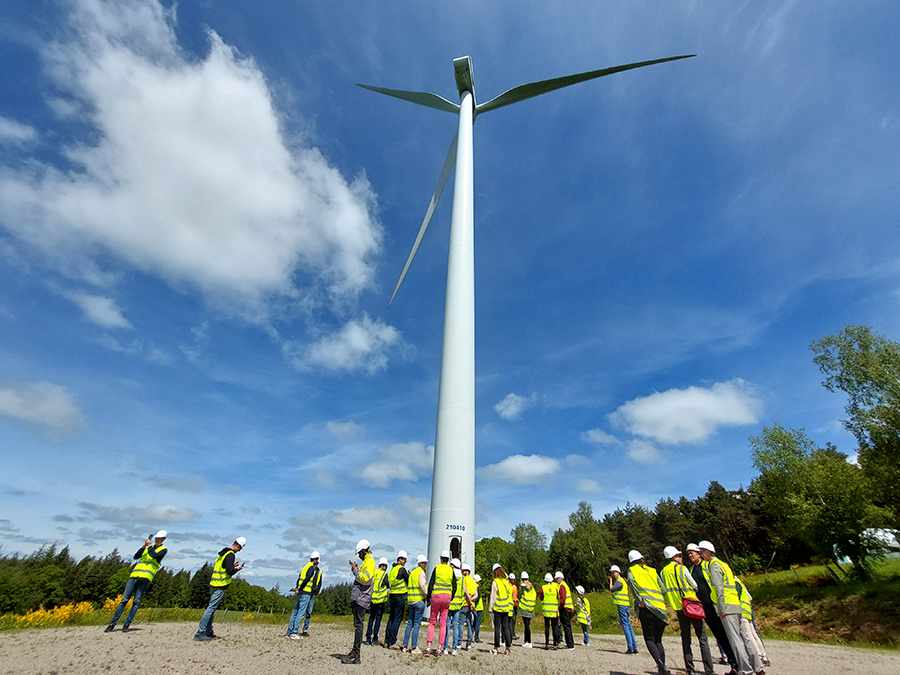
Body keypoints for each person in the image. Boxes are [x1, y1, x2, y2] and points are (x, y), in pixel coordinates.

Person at [699, 541, 765, 675]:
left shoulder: (713, 565)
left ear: (706, 552)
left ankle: (745, 669)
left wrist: (721, 607)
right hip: (736, 604)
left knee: (735, 639)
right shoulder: (724, 564)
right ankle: (758, 667)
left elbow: (718, 588)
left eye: (701, 552)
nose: (701, 555)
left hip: (727, 606)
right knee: (746, 637)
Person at [660, 546, 714, 675]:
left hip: (678, 608)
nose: (681, 558)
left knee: (686, 639)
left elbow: (664, 589)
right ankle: (709, 670)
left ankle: (690, 669)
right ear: (674, 557)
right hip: (691, 605)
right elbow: (694, 584)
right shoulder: (681, 569)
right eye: (679, 556)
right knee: (702, 638)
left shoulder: (663, 572)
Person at [686, 543, 737, 672]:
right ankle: (733, 665)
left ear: (699, 554)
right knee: (719, 636)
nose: (690, 555)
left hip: (714, 605)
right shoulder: (691, 570)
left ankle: (737, 663)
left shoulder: (707, 566)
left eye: (692, 552)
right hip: (705, 609)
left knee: (726, 635)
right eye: (688, 554)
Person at [106, 530, 167, 633]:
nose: (157, 539)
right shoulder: (148, 548)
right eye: (156, 538)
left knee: (136, 601)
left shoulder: (163, 550)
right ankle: (112, 623)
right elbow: (136, 556)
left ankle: (127, 624)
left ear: (163, 539)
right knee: (124, 600)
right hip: (134, 575)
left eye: (159, 538)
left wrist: (149, 547)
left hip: (145, 578)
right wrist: (143, 547)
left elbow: (155, 556)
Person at [626, 549, 670, 675]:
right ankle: (663, 666)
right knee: (658, 640)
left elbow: (633, 584)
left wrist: (639, 600)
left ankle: (660, 664)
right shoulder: (652, 570)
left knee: (649, 639)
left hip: (646, 608)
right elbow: (663, 588)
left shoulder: (632, 571)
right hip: (660, 608)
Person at [194, 537, 245, 642]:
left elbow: (224, 566)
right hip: (221, 585)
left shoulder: (223, 553)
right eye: (240, 549)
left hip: (214, 583)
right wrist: (237, 569)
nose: (239, 550)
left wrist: (232, 565)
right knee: (211, 609)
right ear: (238, 546)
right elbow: (230, 571)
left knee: (211, 609)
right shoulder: (231, 555)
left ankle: (208, 632)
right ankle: (200, 632)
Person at [341, 539, 376, 664]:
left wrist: (355, 571)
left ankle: (356, 654)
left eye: (359, 554)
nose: (359, 556)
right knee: (357, 625)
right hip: (359, 598)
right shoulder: (367, 561)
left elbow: (365, 578)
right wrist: (356, 570)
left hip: (362, 598)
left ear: (363, 551)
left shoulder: (370, 562)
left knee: (359, 626)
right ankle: (355, 654)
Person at [425, 550, 456, 655]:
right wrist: (450, 597)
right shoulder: (451, 571)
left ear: (441, 558)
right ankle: (439, 648)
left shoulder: (437, 568)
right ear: (448, 560)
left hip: (436, 596)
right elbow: (454, 586)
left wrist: (428, 599)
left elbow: (431, 584)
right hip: (446, 597)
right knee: (443, 624)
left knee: (432, 622)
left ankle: (429, 647)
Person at [286, 550, 322, 640]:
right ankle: (294, 632)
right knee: (300, 613)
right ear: (316, 559)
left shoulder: (305, 567)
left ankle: (289, 631)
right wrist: (301, 587)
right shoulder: (311, 568)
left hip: (301, 592)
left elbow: (300, 578)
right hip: (305, 592)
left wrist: (298, 588)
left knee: (295, 611)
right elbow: (307, 578)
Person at [736, 577, 769, 667]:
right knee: (754, 634)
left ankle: (757, 656)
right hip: (748, 611)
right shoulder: (740, 583)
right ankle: (764, 656)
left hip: (742, 612)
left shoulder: (734, 583)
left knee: (748, 635)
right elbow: (750, 597)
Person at [401, 554, 428, 654]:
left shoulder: (412, 572)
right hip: (418, 600)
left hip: (410, 600)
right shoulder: (421, 572)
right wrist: (427, 596)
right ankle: (414, 647)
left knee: (409, 623)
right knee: (416, 624)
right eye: (424, 562)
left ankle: (405, 646)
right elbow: (422, 585)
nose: (426, 564)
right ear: (421, 563)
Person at [384, 550, 409, 649]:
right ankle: (392, 641)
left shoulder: (392, 570)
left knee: (391, 618)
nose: (405, 562)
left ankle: (387, 640)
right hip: (400, 596)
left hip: (392, 595)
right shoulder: (402, 569)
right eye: (404, 560)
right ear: (400, 559)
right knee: (397, 619)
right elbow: (408, 580)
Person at [610, 564, 638, 654]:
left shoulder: (619, 581)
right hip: (625, 604)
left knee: (625, 625)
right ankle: (634, 647)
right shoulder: (622, 581)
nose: (612, 574)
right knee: (629, 625)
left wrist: (610, 581)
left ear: (618, 572)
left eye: (613, 572)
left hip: (621, 605)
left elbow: (611, 589)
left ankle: (630, 648)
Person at [452, 563, 477, 652]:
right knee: (470, 625)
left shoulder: (464, 579)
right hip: (471, 606)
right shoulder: (473, 581)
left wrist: (469, 601)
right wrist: (472, 601)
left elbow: (465, 592)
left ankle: (459, 643)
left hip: (464, 605)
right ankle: (469, 644)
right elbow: (476, 594)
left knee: (461, 624)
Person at [488, 563, 512, 655]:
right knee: (506, 628)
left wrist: (490, 607)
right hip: (506, 608)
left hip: (498, 608)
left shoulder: (495, 582)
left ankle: (496, 648)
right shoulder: (506, 582)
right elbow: (509, 594)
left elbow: (493, 596)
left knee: (497, 628)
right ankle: (507, 648)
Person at [365, 557, 389, 645]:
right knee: (378, 619)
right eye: (385, 566)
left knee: (371, 618)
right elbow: (388, 584)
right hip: (380, 600)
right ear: (383, 566)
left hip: (372, 599)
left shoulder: (375, 573)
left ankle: (368, 638)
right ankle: (375, 639)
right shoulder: (384, 574)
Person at [538, 572, 561, 649]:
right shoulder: (555, 588)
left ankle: (547, 643)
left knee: (547, 627)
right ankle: (555, 644)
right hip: (554, 610)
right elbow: (557, 596)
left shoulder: (543, 587)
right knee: (554, 627)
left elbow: (541, 597)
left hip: (546, 610)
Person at [555, 571, 576, 649]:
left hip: (565, 608)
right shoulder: (565, 585)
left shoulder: (562, 586)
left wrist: (560, 606)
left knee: (566, 626)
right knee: (568, 626)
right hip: (569, 607)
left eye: (556, 579)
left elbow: (563, 598)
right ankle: (570, 643)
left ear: (560, 578)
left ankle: (570, 644)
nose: (556, 580)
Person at [446, 558, 463, 652]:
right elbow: (463, 591)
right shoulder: (462, 577)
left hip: (448, 603)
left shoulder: (449, 575)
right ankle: (454, 648)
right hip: (458, 605)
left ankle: (445, 647)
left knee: (447, 625)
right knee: (455, 626)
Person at [517, 572, 536, 648]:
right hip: (531, 607)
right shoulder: (531, 586)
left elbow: (519, 594)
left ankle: (527, 641)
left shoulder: (522, 586)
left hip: (524, 607)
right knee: (528, 625)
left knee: (526, 625)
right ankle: (528, 641)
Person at [472, 574, 484, 643]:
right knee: (477, 623)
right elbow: (478, 597)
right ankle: (476, 637)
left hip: (474, 607)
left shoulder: (472, 586)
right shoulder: (477, 587)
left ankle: (471, 636)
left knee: (474, 623)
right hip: (478, 607)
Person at [509, 573, 519, 639]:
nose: (513, 581)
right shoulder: (508, 586)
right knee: (511, 619)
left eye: (514, 579)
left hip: (515, 604)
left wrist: (517, 599)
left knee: (514, 619)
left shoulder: (515, 587)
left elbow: (516, 594)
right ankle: (511, 633)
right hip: (511, 604)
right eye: (512, 579)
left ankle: (513, 631)